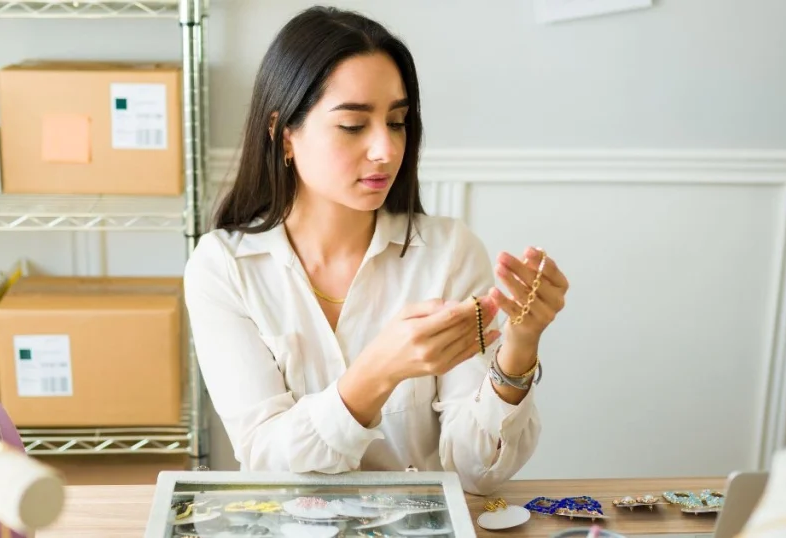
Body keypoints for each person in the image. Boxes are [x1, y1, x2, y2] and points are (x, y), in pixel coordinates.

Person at [183, 5, 570, 496]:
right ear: (284, 134)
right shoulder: (223, 268)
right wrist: (379, 370)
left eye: (398, 121)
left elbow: (478, 473)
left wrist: (519, 348)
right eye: (353, 125)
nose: (386, 150)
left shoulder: (448, 253)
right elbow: (266, 459)